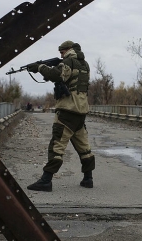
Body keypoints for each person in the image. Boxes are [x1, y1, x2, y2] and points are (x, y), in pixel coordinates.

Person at [26, 40, 95, 192]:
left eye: (62, 52)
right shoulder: (85, 64)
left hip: (67, 112)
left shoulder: (69, 62)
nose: (61, 55)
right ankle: (88, 179)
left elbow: (57, 75)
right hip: (81, 112)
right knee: (84, 148)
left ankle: (45, 180)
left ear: (68, 50)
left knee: (57, 146)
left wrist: (40, 67)